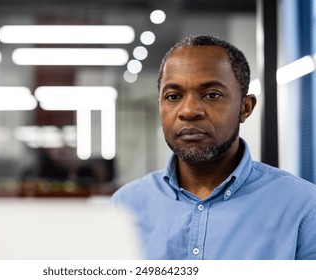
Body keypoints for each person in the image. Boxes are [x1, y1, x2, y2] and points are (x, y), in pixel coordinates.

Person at [111, 35, 316, 260]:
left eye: (212, 95)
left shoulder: (303, 207)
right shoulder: (125, 206)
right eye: (173, 96)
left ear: (245, 107)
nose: (188, 111)